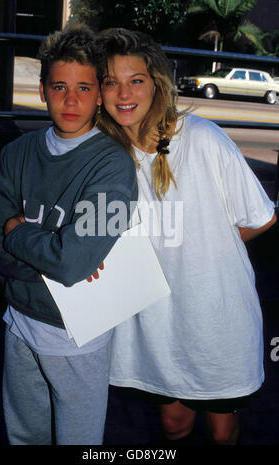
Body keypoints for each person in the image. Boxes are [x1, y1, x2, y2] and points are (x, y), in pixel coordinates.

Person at [95, 28, 277, 445]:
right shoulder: (105, 151)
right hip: (155, 319)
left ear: (156, 83)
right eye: (111, 82)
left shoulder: (201, 137)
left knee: (221, 429)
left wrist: (205, 249)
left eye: (135, 80)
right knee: (174, 424)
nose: (124, 93)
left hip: (214, 315)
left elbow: (262, 217)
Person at [0, 25, 137, 445]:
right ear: (43, 89)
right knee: (23, 435)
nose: (71, 100)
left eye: (84, 88)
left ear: (100, 94)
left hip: (77, 335)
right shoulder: (17, 153)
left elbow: (73, 262)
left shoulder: (112, 165)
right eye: (60, 87)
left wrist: (18, 232)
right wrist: (49, 263)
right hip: (18, 322)